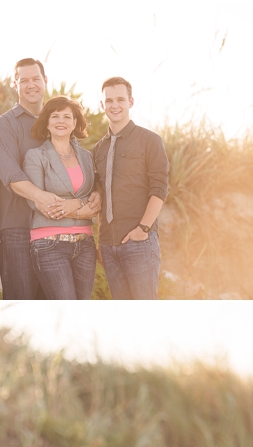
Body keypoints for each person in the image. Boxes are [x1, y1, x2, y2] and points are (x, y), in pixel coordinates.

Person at [0, 58, 102, 299]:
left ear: (45, 81)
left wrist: (91, 198)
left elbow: (78, 179)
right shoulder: (4, 125)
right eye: (24, 80)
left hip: (63, 231)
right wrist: (44, 199)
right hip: (19, 226)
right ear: (15, 84)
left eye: (36, 79)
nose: (31, 85)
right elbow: (11, 174)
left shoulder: (59, 122)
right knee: (23, 298)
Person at [94, 77, 170, 299]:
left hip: (139, 243)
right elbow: (101, 195)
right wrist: (102, 242)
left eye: (120, 99)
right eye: (109, 100)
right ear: (102, 105)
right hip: (108, 246)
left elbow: (159, 188)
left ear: (131, 102)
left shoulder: (150, 140)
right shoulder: (99, 149)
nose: (114, 105)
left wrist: (143, 230)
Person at [23, 96, 98, 299]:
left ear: (75, 123)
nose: (61, 121)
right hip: (49, 244)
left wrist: (79, 202)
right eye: (55, 116)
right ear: (47, 122)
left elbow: (93, 200)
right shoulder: (35, 156)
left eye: (67, 116)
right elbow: (41, 204)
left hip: (85, 245)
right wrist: (82, 207)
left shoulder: (87, 157)